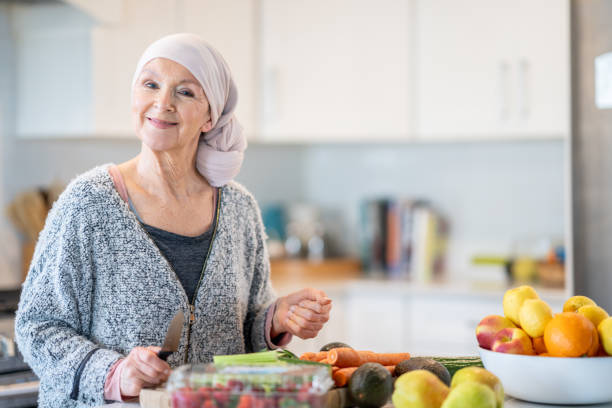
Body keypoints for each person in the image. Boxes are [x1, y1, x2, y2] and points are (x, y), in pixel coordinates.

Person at [15, 33, 332, 407]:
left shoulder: (239, 208)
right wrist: (116, 373)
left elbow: (246, 328)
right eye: (150, 84)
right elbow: (37, 327)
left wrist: (275, 319)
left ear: (210, 116)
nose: (162, 102)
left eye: (185, 92)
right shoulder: (89, 202)